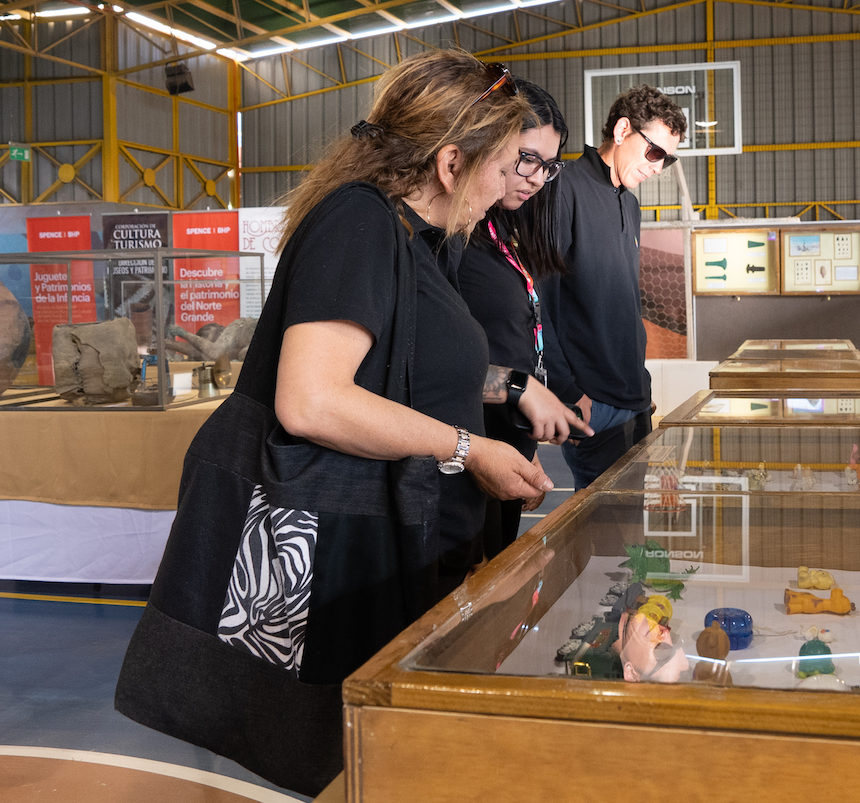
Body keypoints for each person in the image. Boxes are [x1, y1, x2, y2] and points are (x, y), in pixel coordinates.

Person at [115, 50, 562, 797]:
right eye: (504, 164)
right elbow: (312, 400)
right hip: (342, 545)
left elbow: (409, 372)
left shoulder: (417, 240)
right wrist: (467, 448)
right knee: (346, 753)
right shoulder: (359, 222)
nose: (505, 187)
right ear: (452, 162)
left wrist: (506, 397)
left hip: (399, 538)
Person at [459, 78, 591, 556]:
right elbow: (422, 371)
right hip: (462, 457)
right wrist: (518, 388)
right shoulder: (449, 238)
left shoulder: (497, 230)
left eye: (548, 166)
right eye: (527, 159)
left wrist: (527, 433)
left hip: (503, 448)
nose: (536, 178)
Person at [539, 85, 687, 488]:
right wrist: (568, 392)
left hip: (634, 398)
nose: (658, 168)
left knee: (633, 519)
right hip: (593, 403)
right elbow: (537, 302)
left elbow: (621, 306)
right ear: (623, 131)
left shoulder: (630, 204)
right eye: (654, 153)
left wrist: (640, 384)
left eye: (667, 159)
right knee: (607, 525)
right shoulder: (562, 189)